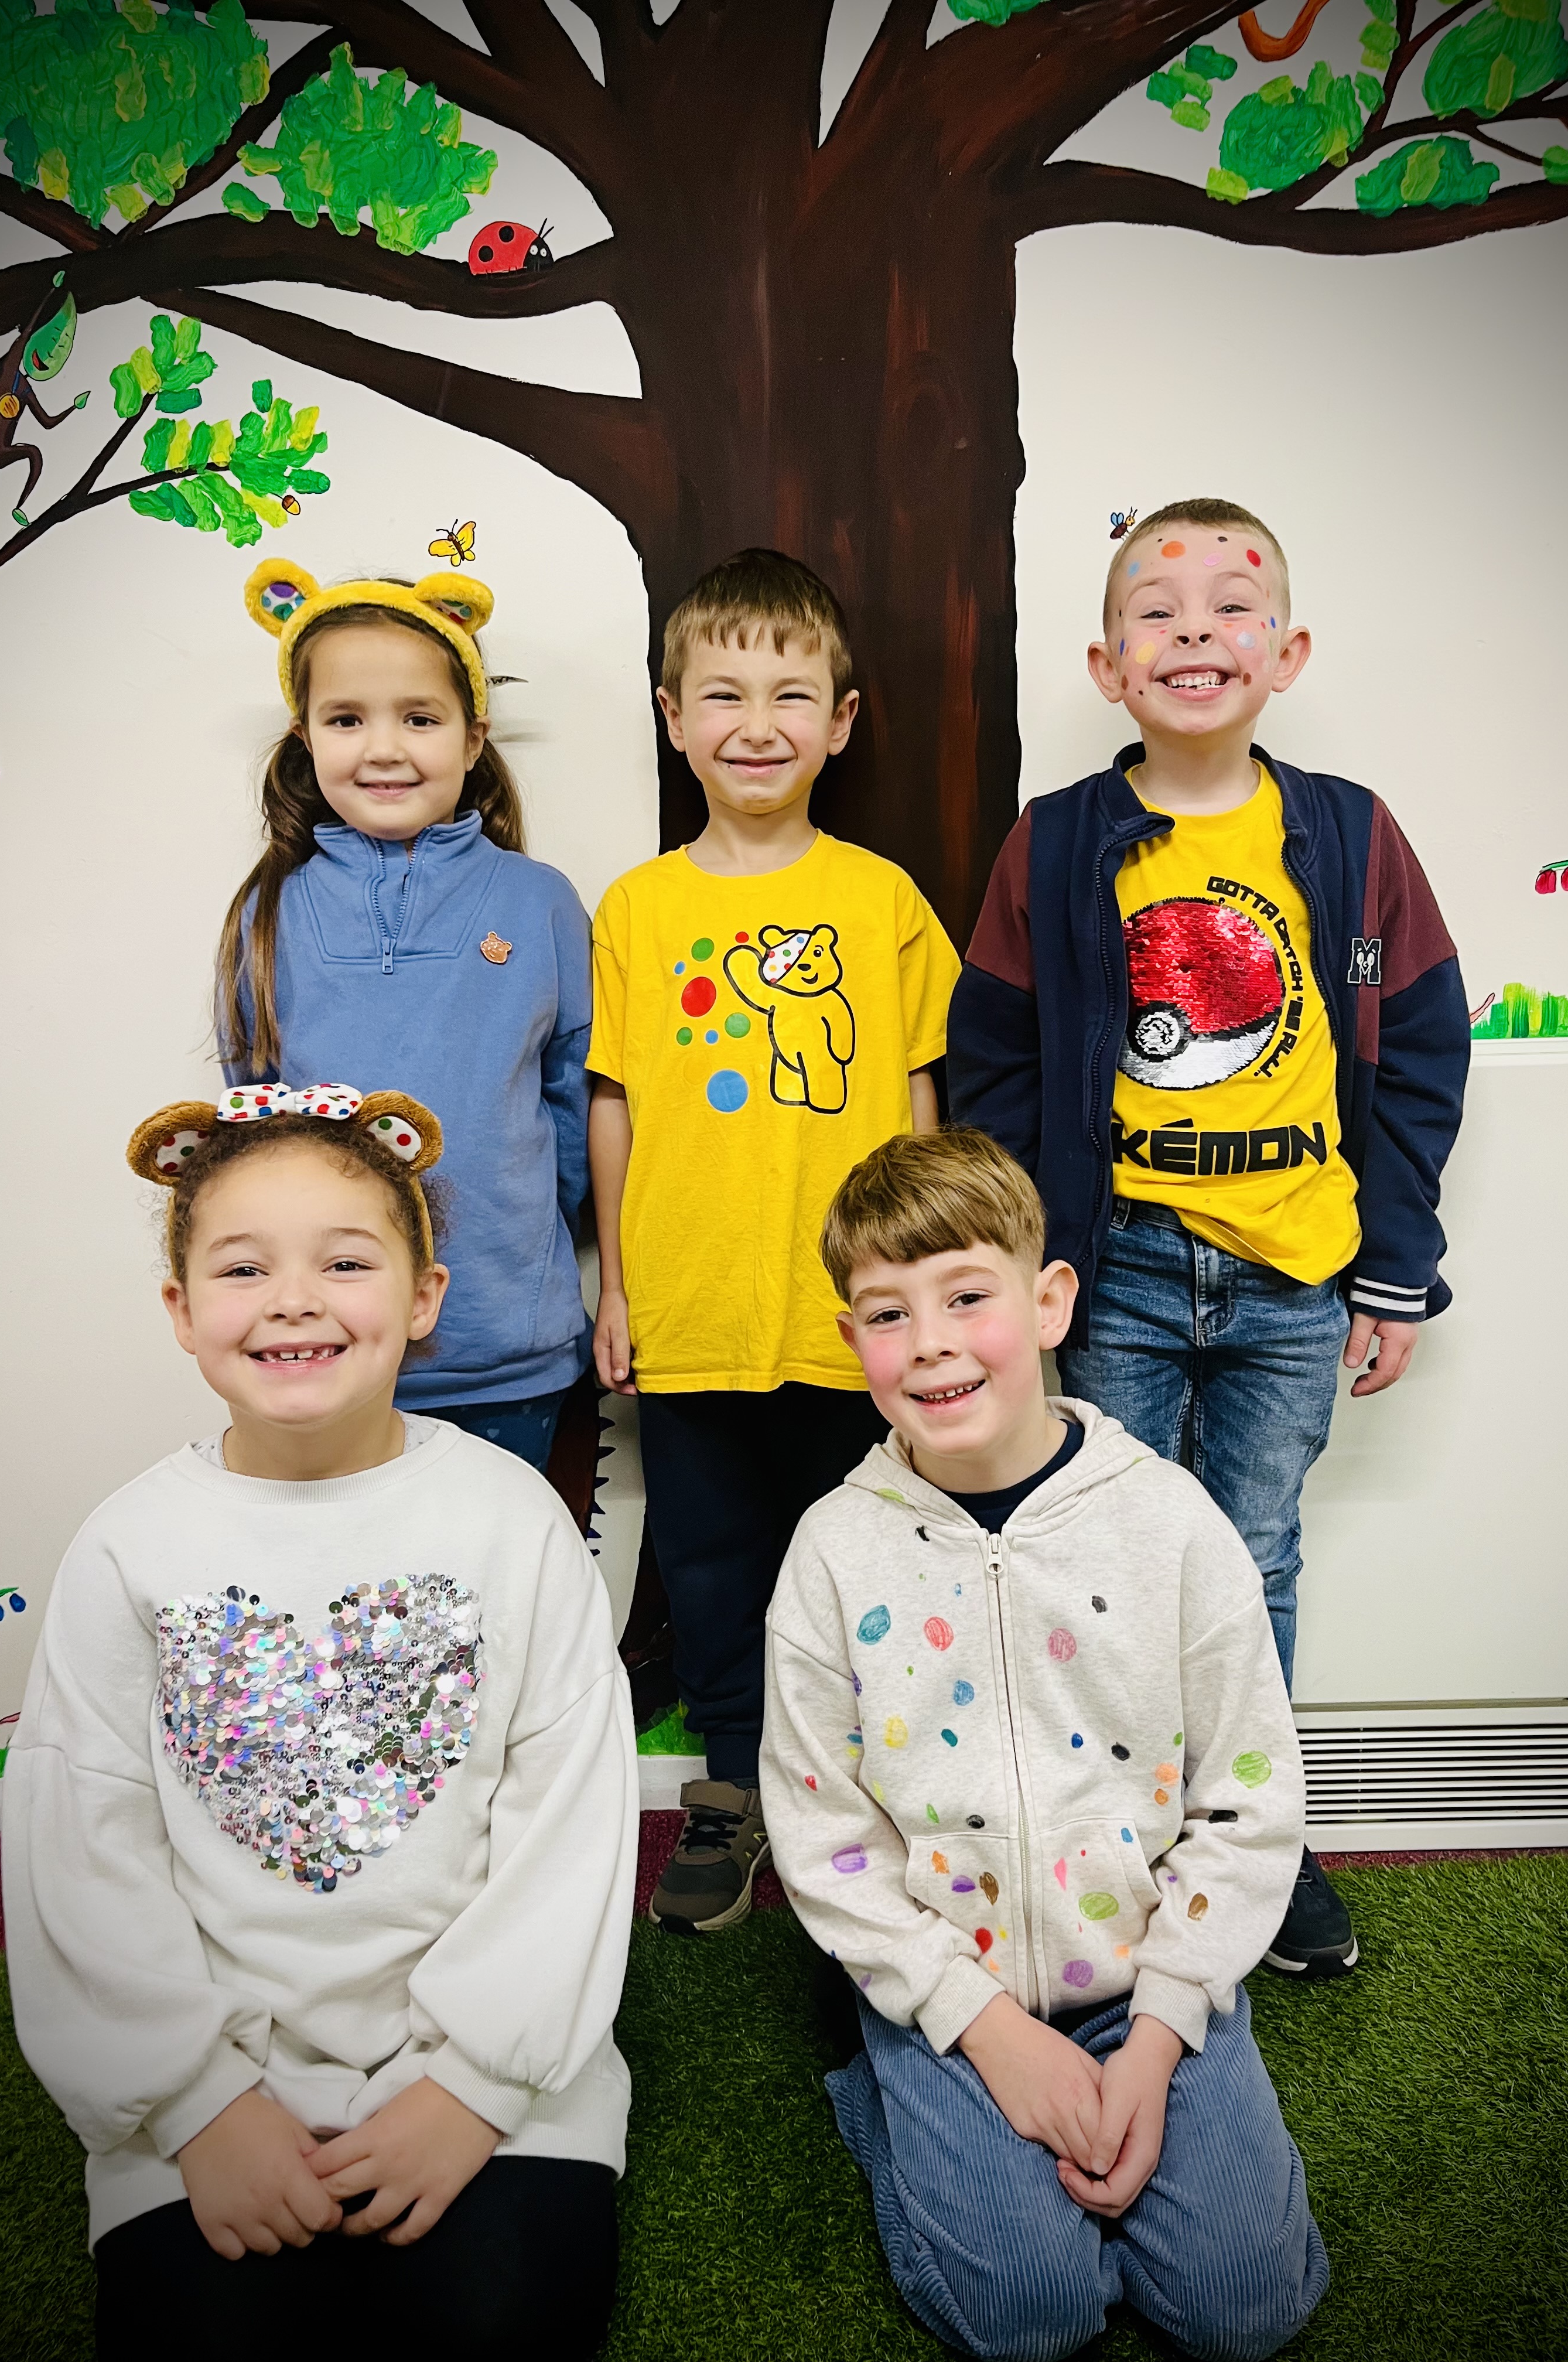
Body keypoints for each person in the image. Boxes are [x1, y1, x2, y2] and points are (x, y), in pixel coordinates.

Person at [2, 1086, 635, 2361]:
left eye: (346, 1263)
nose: (294, 1301)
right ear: (181, 1309)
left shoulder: (511, 1518)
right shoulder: (130, 1544)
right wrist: (197, 2105)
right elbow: (84, 1840)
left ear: (424, 1296)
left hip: (491, 2068)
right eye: (244, 1269)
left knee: (501, 2325)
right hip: (211, 2078)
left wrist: (472, 2088)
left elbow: (569, 1819)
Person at [948, 497, 1469, 1978]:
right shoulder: (1058, 843)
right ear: (1107, 666)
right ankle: (1115, 1841)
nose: (1196, 630)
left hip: (1297, 1272)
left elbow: (1421, 1045)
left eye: (1234, 605)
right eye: (1157, 610)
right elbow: (995, 1056)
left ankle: (1255, 1849)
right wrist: (1026, 1261)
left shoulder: (1348, 834)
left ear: (1286, 653)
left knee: (1253, 1560)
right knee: (1104, 1554)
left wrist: (1395, 1265)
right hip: (1113, 1265)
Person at [760, 1128, 1327, 2362]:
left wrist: (1164, 2028)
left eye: (967, 1296)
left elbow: (1249, 1802)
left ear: (1051, 1300)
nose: (931, 1343)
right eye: (888, 1314)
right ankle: (887, 2094)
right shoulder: (830, 1554)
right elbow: (823, 1835)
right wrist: (980, 2027)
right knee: (1028, 2321)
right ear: (853, 1339)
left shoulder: (1172, 1523)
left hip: (1149, 1980)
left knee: (1246, 2311)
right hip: (947, 1994)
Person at [588, 547, 959, 1933]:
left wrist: (918, 1297)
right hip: (687, 1306)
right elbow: (615, 1108)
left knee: (871, 1561)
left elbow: (918, 1107)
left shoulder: (882, 901)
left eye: (792, 695)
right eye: (724, 694)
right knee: (711, 1566)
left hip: (846, 1316)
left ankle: (869, 1793)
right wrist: (618, 1287)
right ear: (673, 716)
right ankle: (734, 1789)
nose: (757, 724)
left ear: (841, 722)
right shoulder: (638, 910)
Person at [216, 559, 593, 1475]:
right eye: (347, 720)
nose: (384, 749)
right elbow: (252, 1130)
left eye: (419, 719)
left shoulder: (539, 902)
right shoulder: (268, 914)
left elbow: (578, 1103)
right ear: (305, 737)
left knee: (500, 1567)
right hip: (325, 1353)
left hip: (509, 1351)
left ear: (473, 738)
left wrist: (531, 1228)